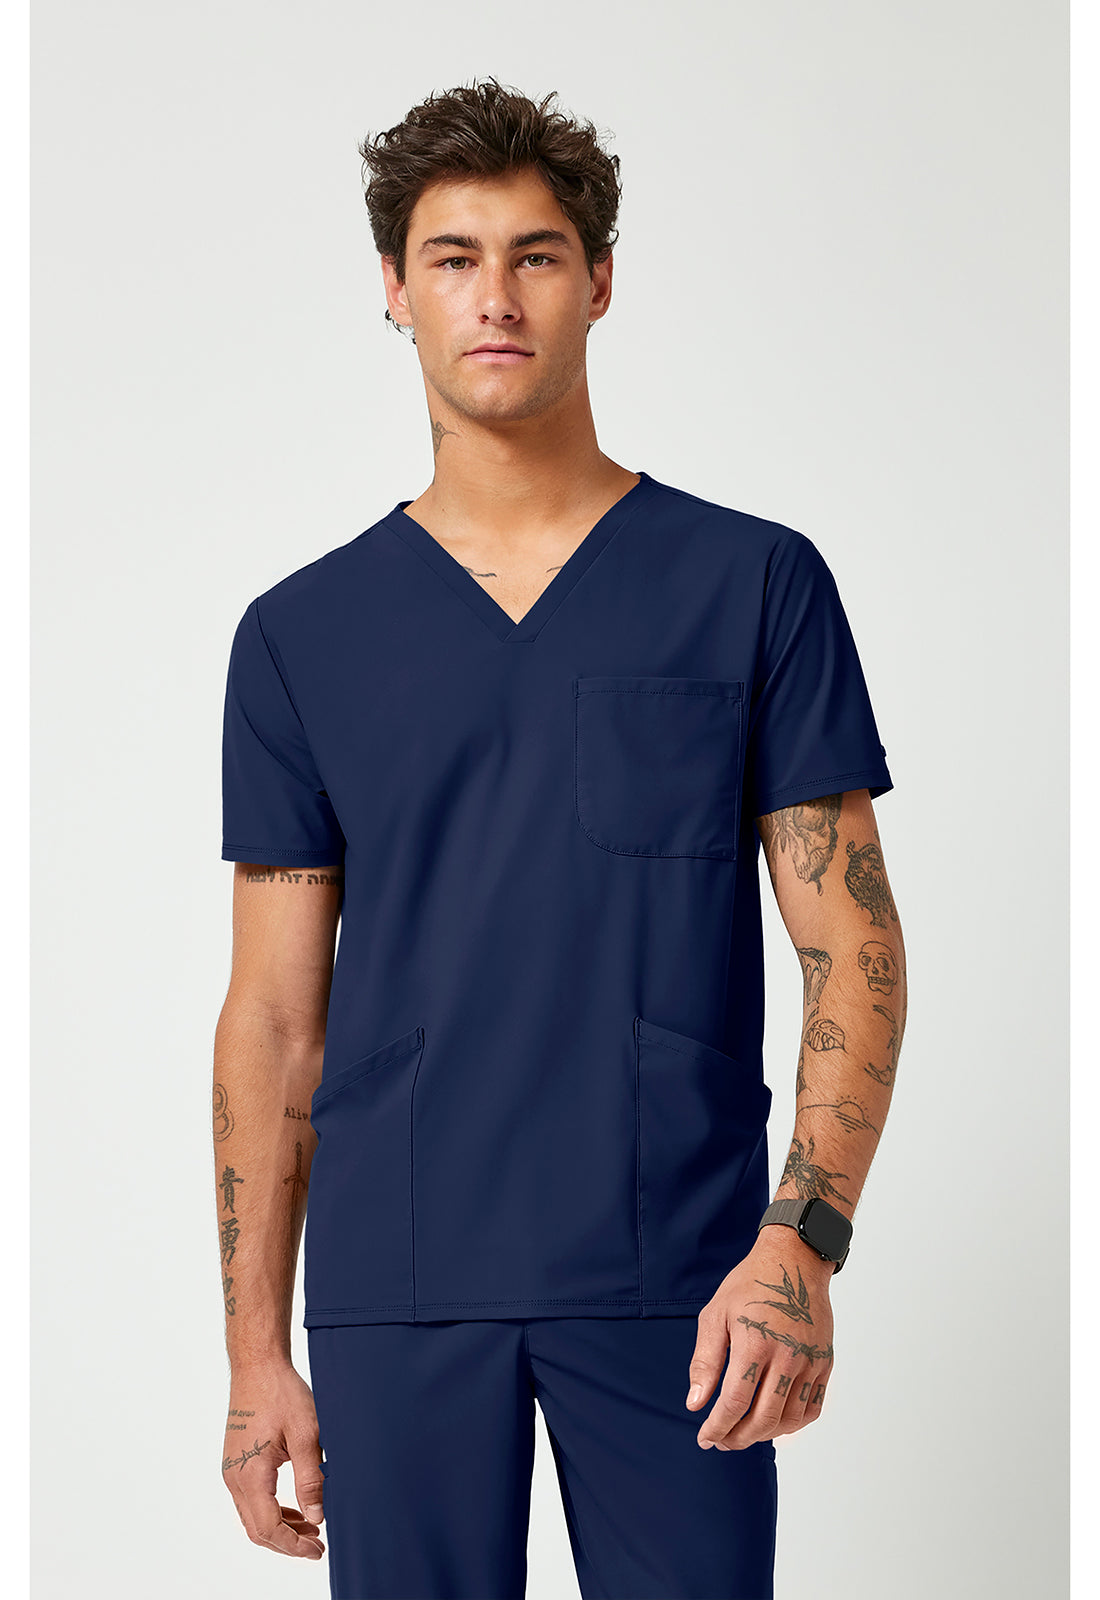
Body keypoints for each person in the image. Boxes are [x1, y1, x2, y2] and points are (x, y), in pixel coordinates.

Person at [213, 74, 906, 1600]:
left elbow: (850, 941)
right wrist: (257, 1356)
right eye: (453, 258)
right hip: (401, 1288)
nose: (496, 296)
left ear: (598, 281)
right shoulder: (302, 638)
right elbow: (272, 1017)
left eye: (535, 255)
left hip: (686, 1283)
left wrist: (802, 1242)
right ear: (393, 291)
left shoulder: (752, 586)